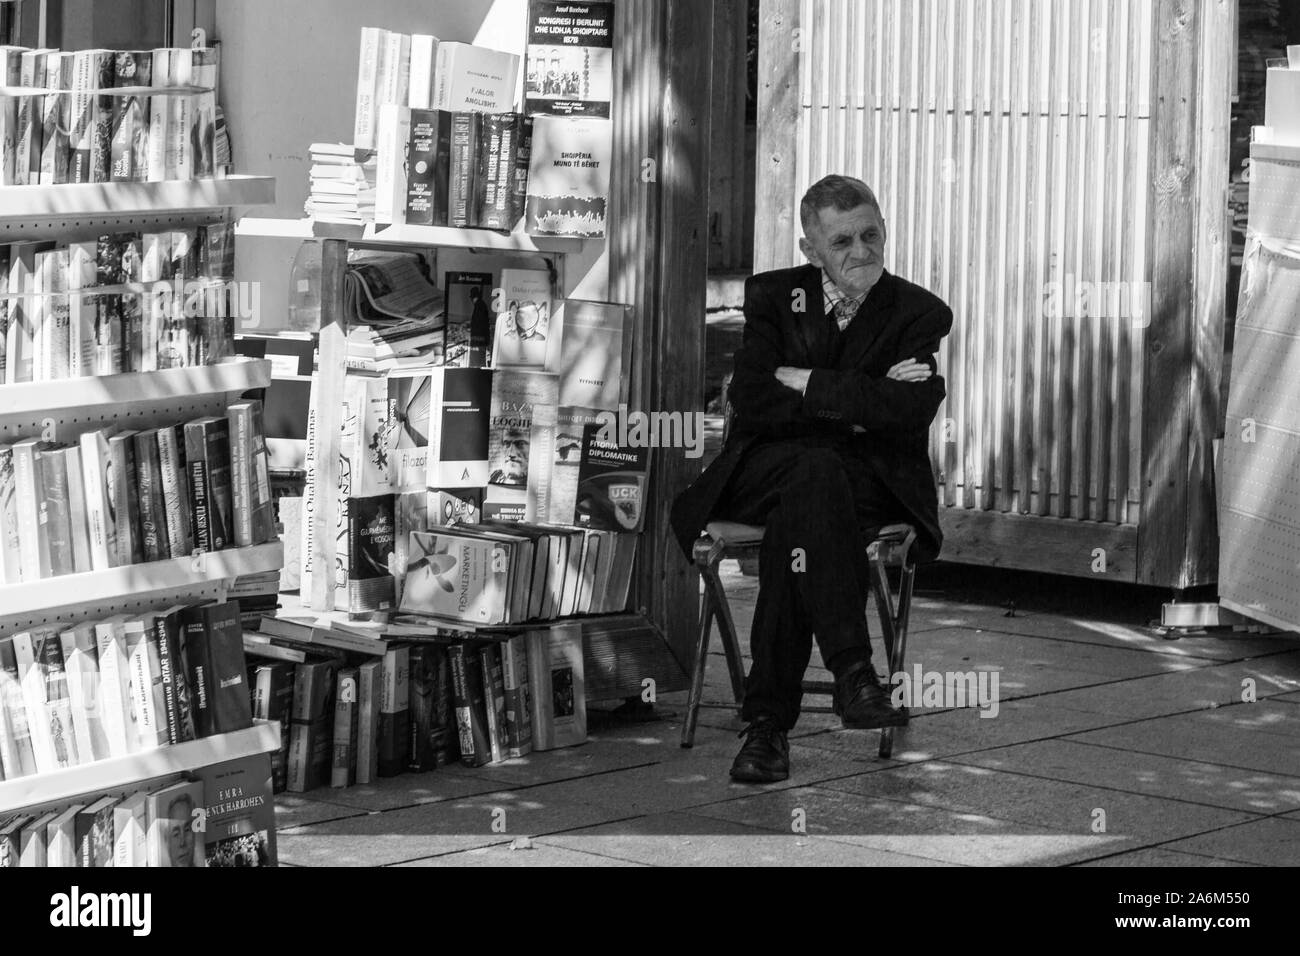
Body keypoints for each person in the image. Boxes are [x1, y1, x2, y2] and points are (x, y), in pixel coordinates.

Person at [670, 174, 953, 783]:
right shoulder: (775, 296)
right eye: (842, 241)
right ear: (811, 249)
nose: (861, 251)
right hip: (763, 473)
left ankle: (766, 728)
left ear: (885, 230)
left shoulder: (918, 312)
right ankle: (853, 672)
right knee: (815, 476)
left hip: (865, 486)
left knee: (799, 524)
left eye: (870, 235)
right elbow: (752, 398)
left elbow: (910, 409)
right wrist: (858, 400)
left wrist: (809, 383)